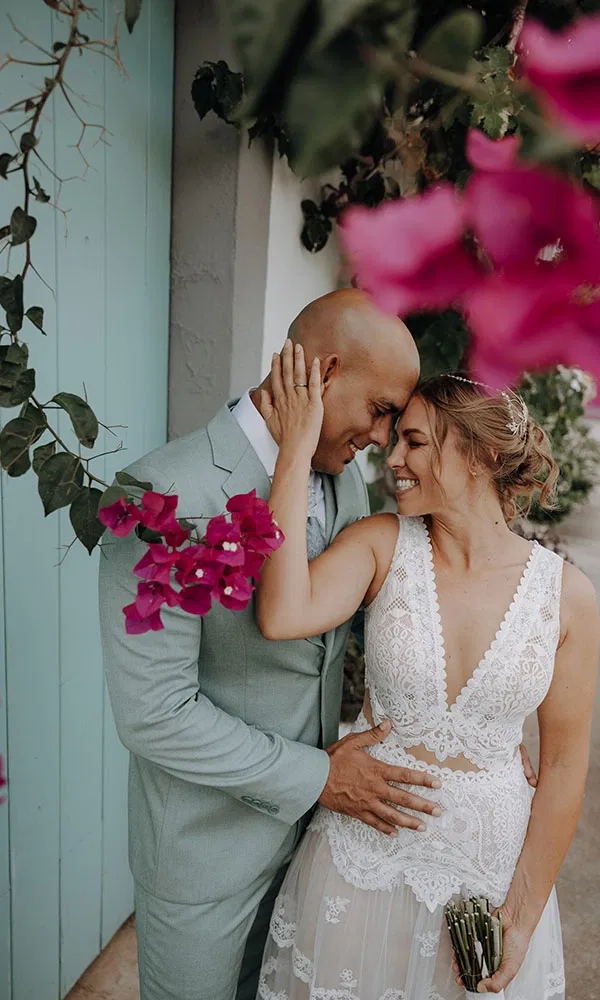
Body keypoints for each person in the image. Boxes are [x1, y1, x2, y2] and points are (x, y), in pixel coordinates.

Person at [98, 289, 449, 1000]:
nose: (383, 438)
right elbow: (154, 714)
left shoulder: (347, 488)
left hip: (311, 852)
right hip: (202, 858)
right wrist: (317, 778)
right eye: (380, 409)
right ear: (326, 372)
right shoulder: (161, 495)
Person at [255, 342, 599, 1000]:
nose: (392, 459)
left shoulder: (568, 596)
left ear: (482, 455)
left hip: (489, 882)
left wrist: (523, 917)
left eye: (414, 442)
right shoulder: (380, 544)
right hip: (359, 865)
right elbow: (282, 612)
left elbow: (562, 767)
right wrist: (294, 451)